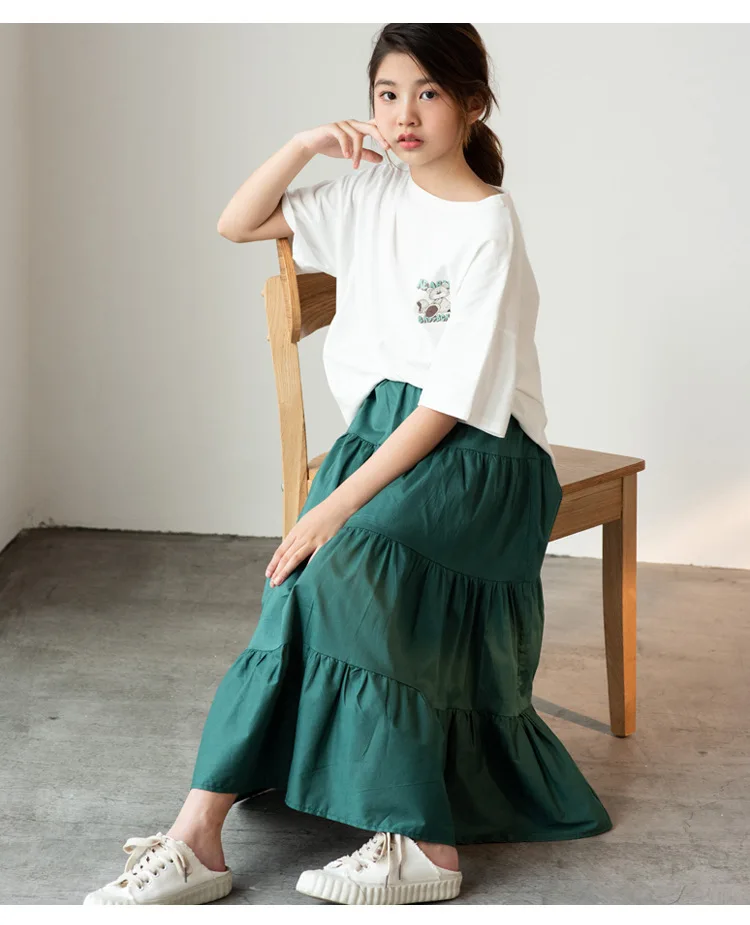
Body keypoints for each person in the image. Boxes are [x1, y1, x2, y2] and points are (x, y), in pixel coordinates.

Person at [83, 23, 612, 907]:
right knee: (300, 579)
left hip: (482, 452)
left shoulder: (489, 221)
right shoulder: (368, 192)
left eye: (428, 93)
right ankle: (196, 837)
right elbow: (236, 221)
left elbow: (450, 401)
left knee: (347, 558)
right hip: (381, 439)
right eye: (387, 94)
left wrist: (332, 508)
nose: (405, 114)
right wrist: (303, 145)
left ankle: (426, 845)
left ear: (472, 104)